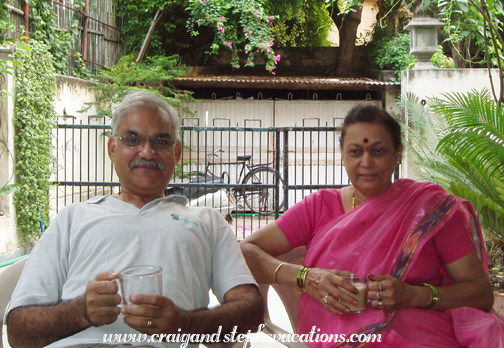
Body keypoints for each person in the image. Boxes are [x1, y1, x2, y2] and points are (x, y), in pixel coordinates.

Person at [6, 91, 263, 348]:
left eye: (161, 142)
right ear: (112, 148)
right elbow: (18, 331)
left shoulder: (207, 221)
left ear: (177, 152)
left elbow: (251, 311)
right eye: (132, 140)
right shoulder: (72, 219)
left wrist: (183, 325)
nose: (148, 152)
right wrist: (81, 311)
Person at [240, 105, 504, 347]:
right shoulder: (318, 207)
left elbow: (480, 294)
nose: (366, 162)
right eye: (355, 152)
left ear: (397, 154)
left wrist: (415, 296)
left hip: (421, 337)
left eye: (377, 151)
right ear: (343, 154)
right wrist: (307, 278)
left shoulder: (429, 210)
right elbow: (244, 252)